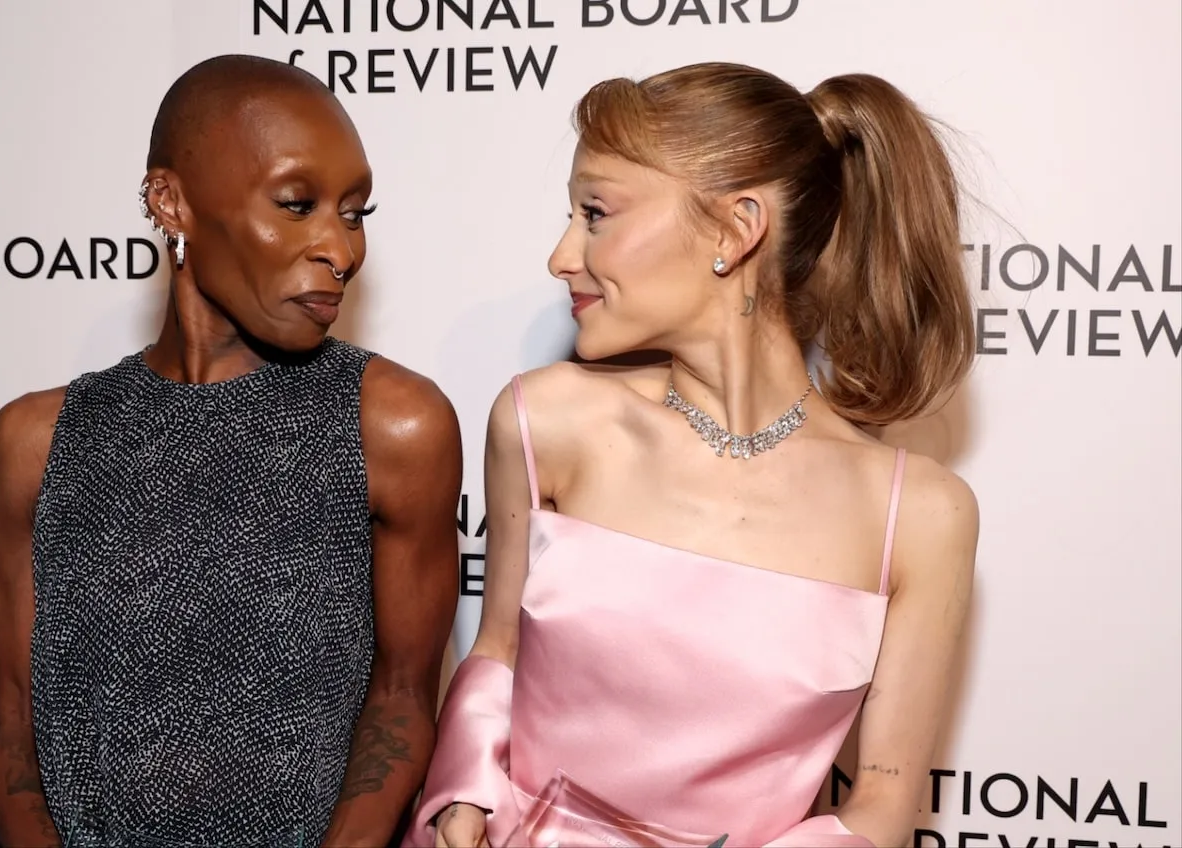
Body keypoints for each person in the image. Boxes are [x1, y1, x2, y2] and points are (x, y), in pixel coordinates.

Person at [404, 62, 981, 848]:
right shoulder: (546, 422)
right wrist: (461, 805)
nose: (562, 255)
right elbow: (496, 652)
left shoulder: (916, 515)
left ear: (734, 230)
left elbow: (880, 806)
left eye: (595, 214)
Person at [0, 54, 461, 848]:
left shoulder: (395, 426)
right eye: (297, 204)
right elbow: (5, 720)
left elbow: (404, 700)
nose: (340, 250)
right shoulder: (36, 441)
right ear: (171, 202)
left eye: (354, 211)